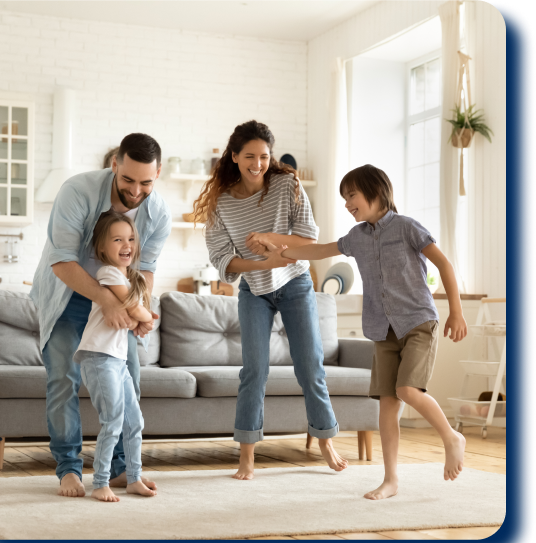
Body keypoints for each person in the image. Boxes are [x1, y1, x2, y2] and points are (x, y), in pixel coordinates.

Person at [259, 164, 467, 499]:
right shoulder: (357, 237)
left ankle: (451, 437)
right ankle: (391, 480)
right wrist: (282, 253)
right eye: (344, 198)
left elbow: (444, 264)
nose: (347, 203)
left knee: (408, 390)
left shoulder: (407, 228)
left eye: (351, 195)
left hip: (417, 322)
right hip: (383, 330)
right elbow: (320, 250)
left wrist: (456, 312)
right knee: (387, 405)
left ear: (376, 191)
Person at [192, 120, 347, 481]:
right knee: (254, 372)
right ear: (234, 157)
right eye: (249, 156)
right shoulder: (221, 203)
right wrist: (264, 261)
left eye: (264, 156)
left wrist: (268, 239)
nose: (258, 164)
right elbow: (222, 259)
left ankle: (325, 440)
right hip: (254, 290)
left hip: (295, 284)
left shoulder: (287, 184)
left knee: (310, 366)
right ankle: (246, 456)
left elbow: (308, 236)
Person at [30, 133, 171, 497]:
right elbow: (62, 260)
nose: (136, 190)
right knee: (64, 379)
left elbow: (147, 270)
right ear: (114, 166)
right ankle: (69, 469)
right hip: (68, 294)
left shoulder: (158, 213)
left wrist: (137, 308)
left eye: (146, 182)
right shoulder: (77, 191)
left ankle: (123, 469)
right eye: (127, 180)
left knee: (130, 383)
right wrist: (108, 301)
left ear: (158, 174)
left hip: (120, 298)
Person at [74, 211, 156, 502]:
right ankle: (100, 483)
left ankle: (133, 477)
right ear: (102, 248)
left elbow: (137, 313)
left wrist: (142, 317)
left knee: (135, 422)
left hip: (117, 360)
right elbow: (137, 310)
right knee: (113, 421)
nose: (126, 245)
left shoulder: (128, 277)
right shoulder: (107, 272)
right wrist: (145, 318)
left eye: (131, 238)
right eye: (118, 239)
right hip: (98, 357)